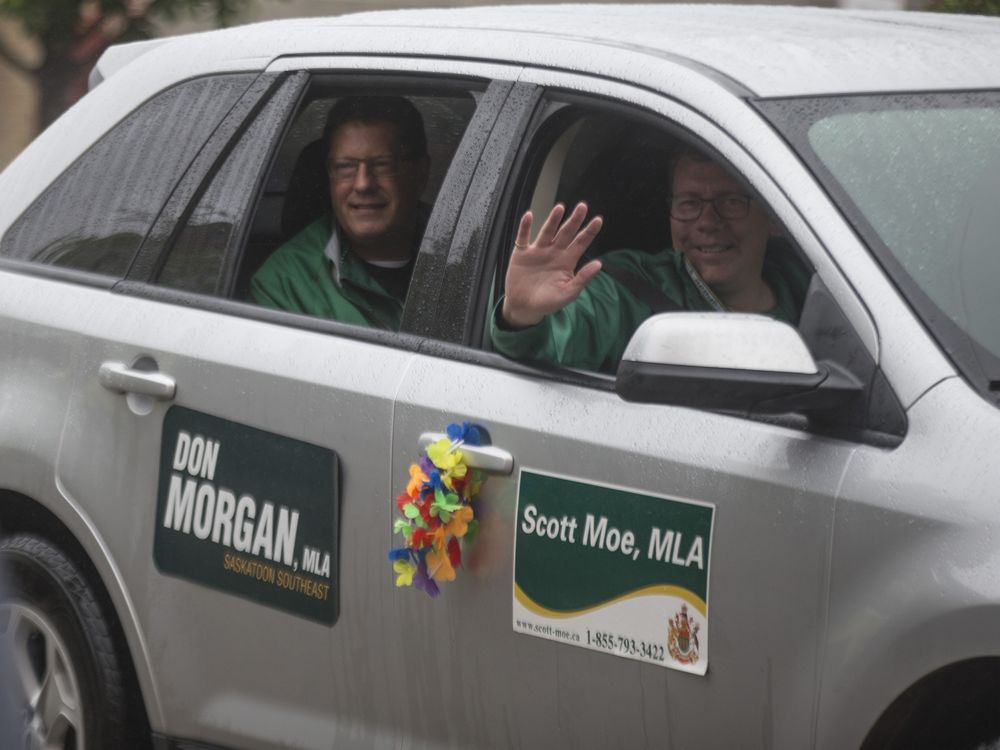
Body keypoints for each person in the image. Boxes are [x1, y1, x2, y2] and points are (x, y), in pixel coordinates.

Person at [490, 148, 810, 372]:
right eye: (689, 203)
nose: (708, 221)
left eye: (731, 201)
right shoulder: (629, 288)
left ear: (772, 217)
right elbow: (554, 344)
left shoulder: (816, 286)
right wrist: (521, 315)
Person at [251, 96, 430, 329]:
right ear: (328, 176)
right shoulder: (285, 284)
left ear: (421, 173)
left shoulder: (470, 247)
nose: (363, 184)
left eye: (383, 164)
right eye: (345, 167)